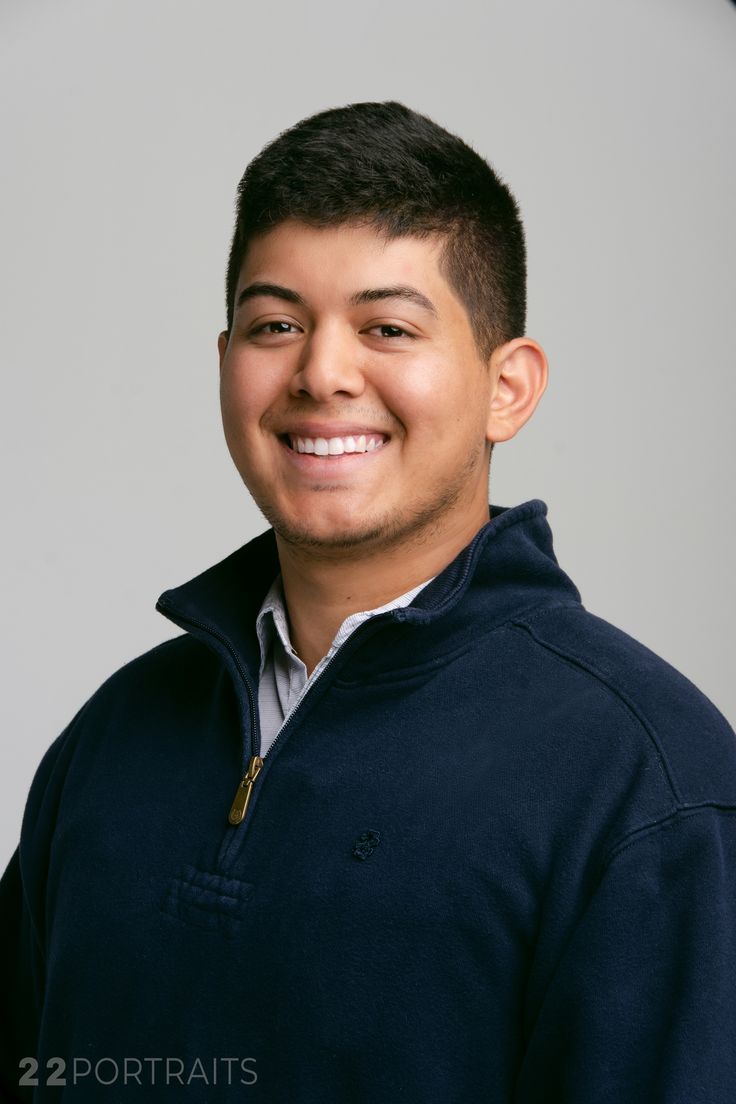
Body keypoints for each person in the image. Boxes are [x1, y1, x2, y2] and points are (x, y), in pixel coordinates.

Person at [1, 100, 735, 1103]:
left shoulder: (647, 788)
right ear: (225, 365)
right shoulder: (114, 737)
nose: (321, 374)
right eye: (275, 326)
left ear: (506, 387)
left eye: (387, 327)